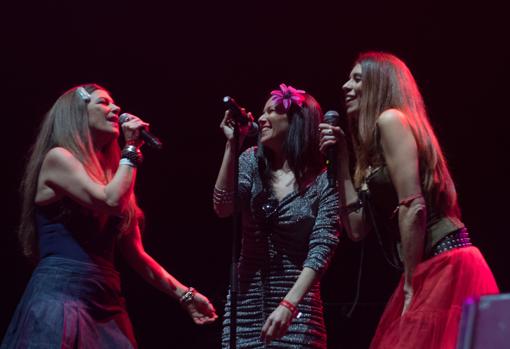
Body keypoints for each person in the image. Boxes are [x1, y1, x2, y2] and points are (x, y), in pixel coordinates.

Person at [1, 84, 217, 348]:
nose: (115, 108)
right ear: (77, 113)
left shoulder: (115, 174)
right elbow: (110, 200)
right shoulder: (58, 158)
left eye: (113, 103)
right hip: (61, 297)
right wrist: (131, 149)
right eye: (103, 103)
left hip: (106, 301)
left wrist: (185, 294)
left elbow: (136, 254)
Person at [319, 52, 499, 348]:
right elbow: (355, 228)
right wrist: (341, 161)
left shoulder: (391, 120)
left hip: (446, 265)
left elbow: (413, 206)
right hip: (426, 268)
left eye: (357, 79)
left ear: (379, 84)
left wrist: (410, 285)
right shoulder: (373, 147)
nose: (345, 86)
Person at [214, 84, 340, 348]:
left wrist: (288, 304)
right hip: (245, 308)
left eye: (272, 111)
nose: (261, 119)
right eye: (262, 112)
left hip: (298, 309)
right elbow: (223, 206)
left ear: (297, 121)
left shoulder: (323, 179)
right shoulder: (251, 161)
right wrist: (232, 145)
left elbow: (321, 250)